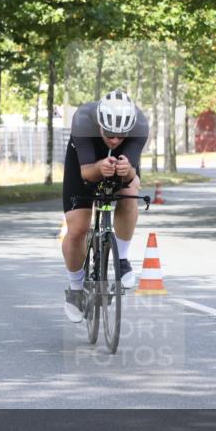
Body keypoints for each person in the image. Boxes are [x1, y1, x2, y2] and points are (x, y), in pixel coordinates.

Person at [61, 90, 149, 323]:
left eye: (120, 137)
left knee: (130, 192)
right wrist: (100, 166)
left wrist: (127, 171)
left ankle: (122, 259)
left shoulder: (140, 124)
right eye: (109, 135)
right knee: (78, 228)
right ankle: (76, 289)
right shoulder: (83, 119)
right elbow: (87, 173)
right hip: (84, 163)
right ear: (99, 123)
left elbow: (131, 174)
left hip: (119, 164)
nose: (114, 140)